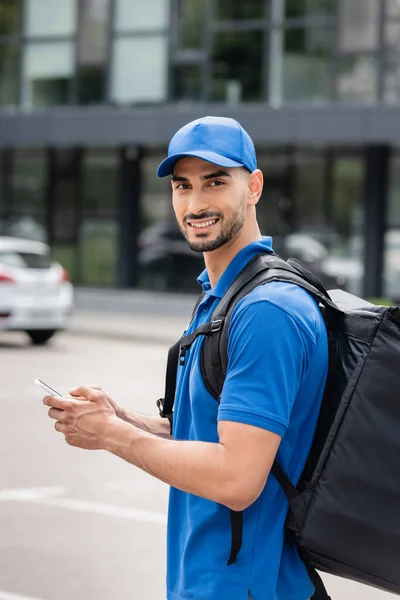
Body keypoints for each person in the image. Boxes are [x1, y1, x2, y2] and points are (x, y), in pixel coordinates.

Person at [43, 116, 328, 600]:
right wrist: (122, 418)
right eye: (183, 186)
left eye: (216, 182)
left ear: (253, 186)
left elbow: (238, 477)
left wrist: (112, 437)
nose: (195, 204)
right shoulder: (223, 297)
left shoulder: (265, 311)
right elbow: (212, 433)